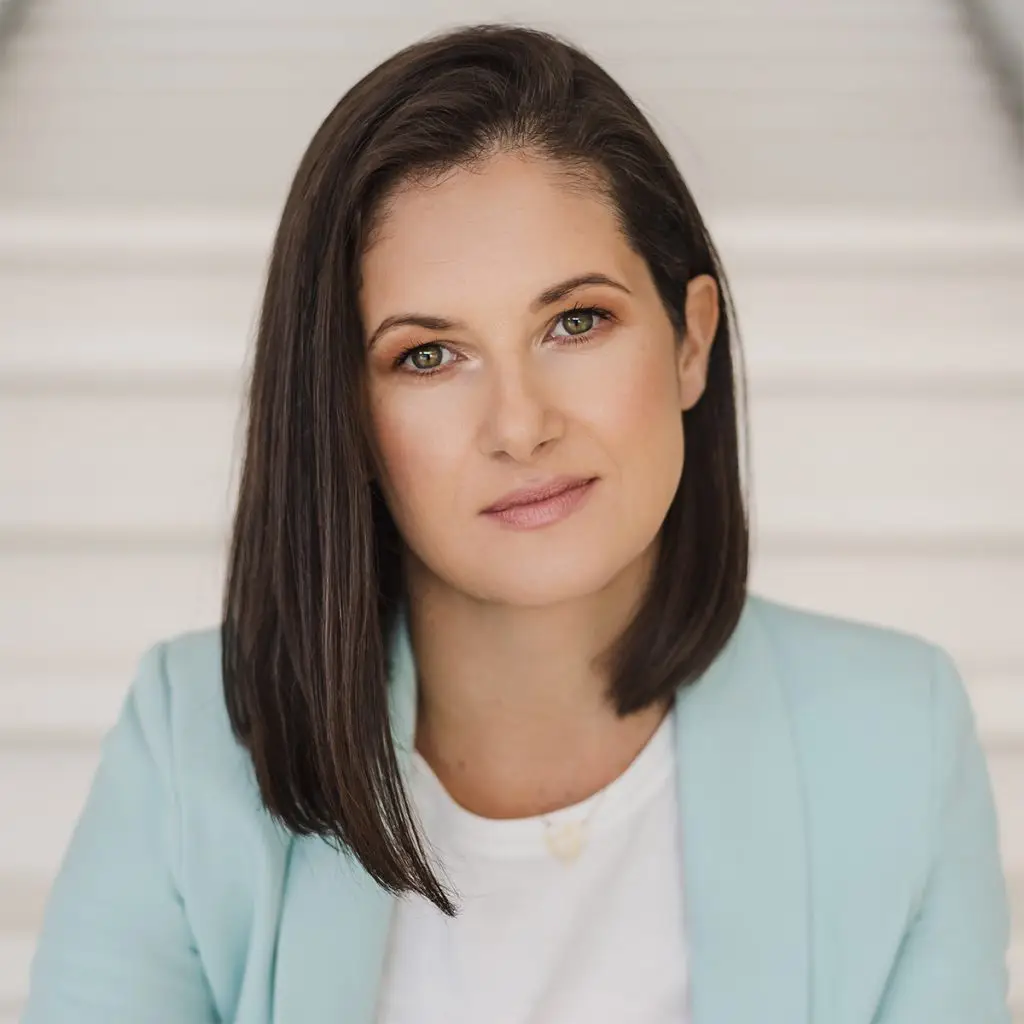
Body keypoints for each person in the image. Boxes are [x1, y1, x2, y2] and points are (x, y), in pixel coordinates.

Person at [22, 21, 1011, 1024]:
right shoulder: (191, 744)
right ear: (344, 414)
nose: (520, 425)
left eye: (576, 322)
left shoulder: (897, 739)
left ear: (690, 341)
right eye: (427, 355)